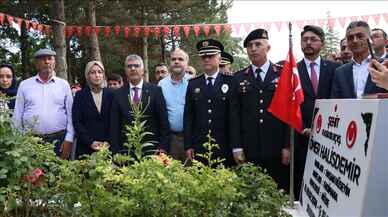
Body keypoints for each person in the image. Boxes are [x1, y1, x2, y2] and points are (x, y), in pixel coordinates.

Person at [234, 29, 289, 190]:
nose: (253, 48)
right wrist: (237, 147)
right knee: (251, 194)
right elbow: (235, 115)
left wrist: (288, 146)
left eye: (258, 44)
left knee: (279, 192)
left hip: (276, 147)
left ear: (268, 47)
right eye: (250, 45)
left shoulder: (282, 74)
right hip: (249, 148)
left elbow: (289, 113)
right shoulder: (239, 77)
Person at [294, 25, 340, 199]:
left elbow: (338, 100)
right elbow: (291, 106)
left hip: (330, 138)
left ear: (322, 43)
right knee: (302, 185)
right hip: (301, 137)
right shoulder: (292, 70)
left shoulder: (336, 69)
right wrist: (304, 127)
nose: (308, 43)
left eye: (313, 39)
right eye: (305, 39)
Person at [184, 39, 239, 167]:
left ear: (219, 58)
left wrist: (236, 146)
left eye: (210, 56)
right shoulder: (193, 84)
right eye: (203, 56)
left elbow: (234, 117)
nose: (206, 59)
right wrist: (188, 145)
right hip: (200, 147)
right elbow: (188, 117)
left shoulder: (230, 82)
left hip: (224, 145)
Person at [13, 49, 74, 159]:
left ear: (54, 63)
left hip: (59, 140)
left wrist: (69, 139)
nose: (47, 62)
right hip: (30, 141)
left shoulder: (63, 85)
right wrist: (20, 141)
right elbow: (17, 115)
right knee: (33, 175)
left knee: (59, 174)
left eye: (50, 59)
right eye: (43, 59)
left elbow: (71, 114)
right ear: (36, 64)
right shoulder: (24, 85)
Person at [110, 54, 169, 155]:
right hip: (127, 150)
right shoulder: (117, 94)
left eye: (136, 66)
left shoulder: (156, 91)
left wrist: (163, 146)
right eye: (129, 66)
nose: (133, 68)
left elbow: (163, 121)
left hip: (152, 149)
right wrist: (116, 151)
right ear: (125, 71)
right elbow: (114, 125)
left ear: (143, 70)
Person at [331, 21, 388, 98]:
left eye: (360, 36)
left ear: (370, 39)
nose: (355, 40)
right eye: (350, 38)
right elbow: (336, 102)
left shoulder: (384, 66)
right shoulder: (340, 72)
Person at [72, 61, 113, 158]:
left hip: (108, 147)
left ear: (103, 74)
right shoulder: (80, 96)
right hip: (86, 147)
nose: (97, 75)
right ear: (87, 75)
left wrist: (109, 141)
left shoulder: (112, 94)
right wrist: (90, 142)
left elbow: (115, 121)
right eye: (93, 72)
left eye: (100, 72)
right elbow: (77, 122)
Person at [158, 49, 191, 162]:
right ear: (169, 63)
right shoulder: (162, 85)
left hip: (190, 139)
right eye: (173, 59)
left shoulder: (193, 83)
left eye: (180, 59)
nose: (176, 62)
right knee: (171, 174)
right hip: (170, 140)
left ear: (187, 63)